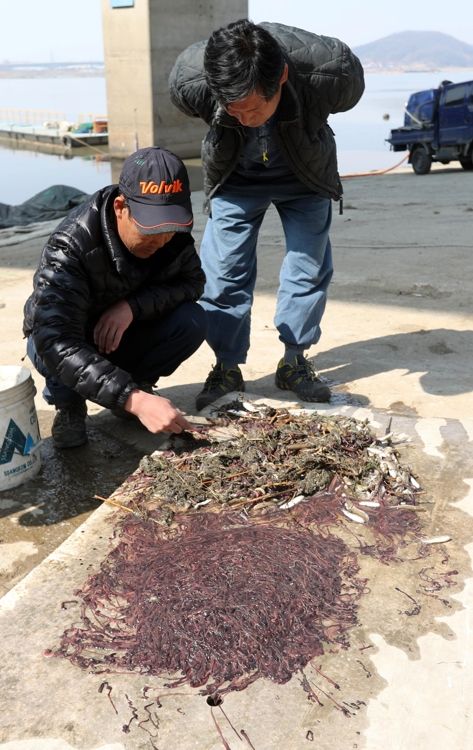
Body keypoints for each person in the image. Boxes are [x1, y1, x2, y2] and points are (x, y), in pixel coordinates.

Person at [169, 19, 365, 410]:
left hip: (305, 176)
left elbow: (348, 91)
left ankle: (294, 361)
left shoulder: (332, 72)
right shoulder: (191, 80)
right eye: (234, 110)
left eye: (256, 108)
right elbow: (196, 100)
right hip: (235, 177)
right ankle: (226, 365)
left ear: (283, 77)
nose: (245, 118)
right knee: (223, 272)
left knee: (308, 268)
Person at [23, 147, 207, 449]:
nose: (162, 241)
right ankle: (69, 405)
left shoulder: (172, 235)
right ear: (121, 207)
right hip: (74, 337)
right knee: (47, 345)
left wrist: (132, 307)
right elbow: (56, 339)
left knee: (192, 320)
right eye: (150, 231)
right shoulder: (70, 246)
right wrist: (131, 398)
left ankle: (135, 389)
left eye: (169, 230)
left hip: (122, 332)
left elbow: (193, 282)